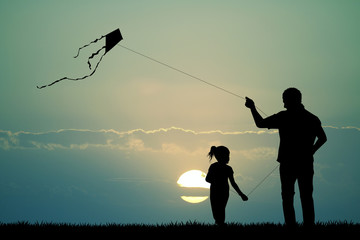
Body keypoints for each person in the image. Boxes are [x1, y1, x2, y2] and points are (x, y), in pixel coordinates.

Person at [245, 88, 327, 227]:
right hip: (304, 163)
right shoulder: (311, 118)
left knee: (288, 196)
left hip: (289, 163)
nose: (283, 101)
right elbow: (323, 138)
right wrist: (310, 152)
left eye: (285, 98)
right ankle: (308, 225)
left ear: (291, 100)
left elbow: (260, 123)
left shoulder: (284, 117)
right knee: (305, 196)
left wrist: (252, 108)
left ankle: (291, 226)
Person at [205, 146, 248, 225]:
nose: (228, 157)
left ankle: (220, 224)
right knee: (219, 210)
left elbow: (233, 183)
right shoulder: (225, 168)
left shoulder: (217, 167)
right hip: (219, 192)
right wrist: (241, 194)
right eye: (227, 155)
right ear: (220, 156)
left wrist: (241, 194)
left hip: (218, 192)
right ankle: (220, 224)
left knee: (219, 210)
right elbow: (207, 179)